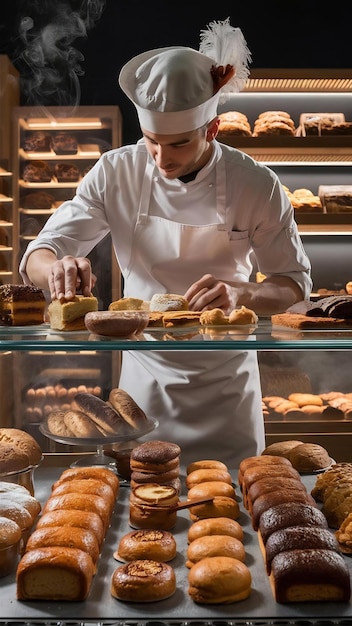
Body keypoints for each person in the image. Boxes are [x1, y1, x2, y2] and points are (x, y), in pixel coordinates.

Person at [20, 18, 312, 469]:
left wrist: (242, 293)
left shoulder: (256, 184)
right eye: (152, 142)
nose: (161, 158)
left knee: (233, 513)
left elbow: (293, 284)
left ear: (211, 130)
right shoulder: (116, 172)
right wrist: (54, 268)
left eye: (177, 144)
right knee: (143, 508)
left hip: (226, 391)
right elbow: (41, 252)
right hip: (144, 390)